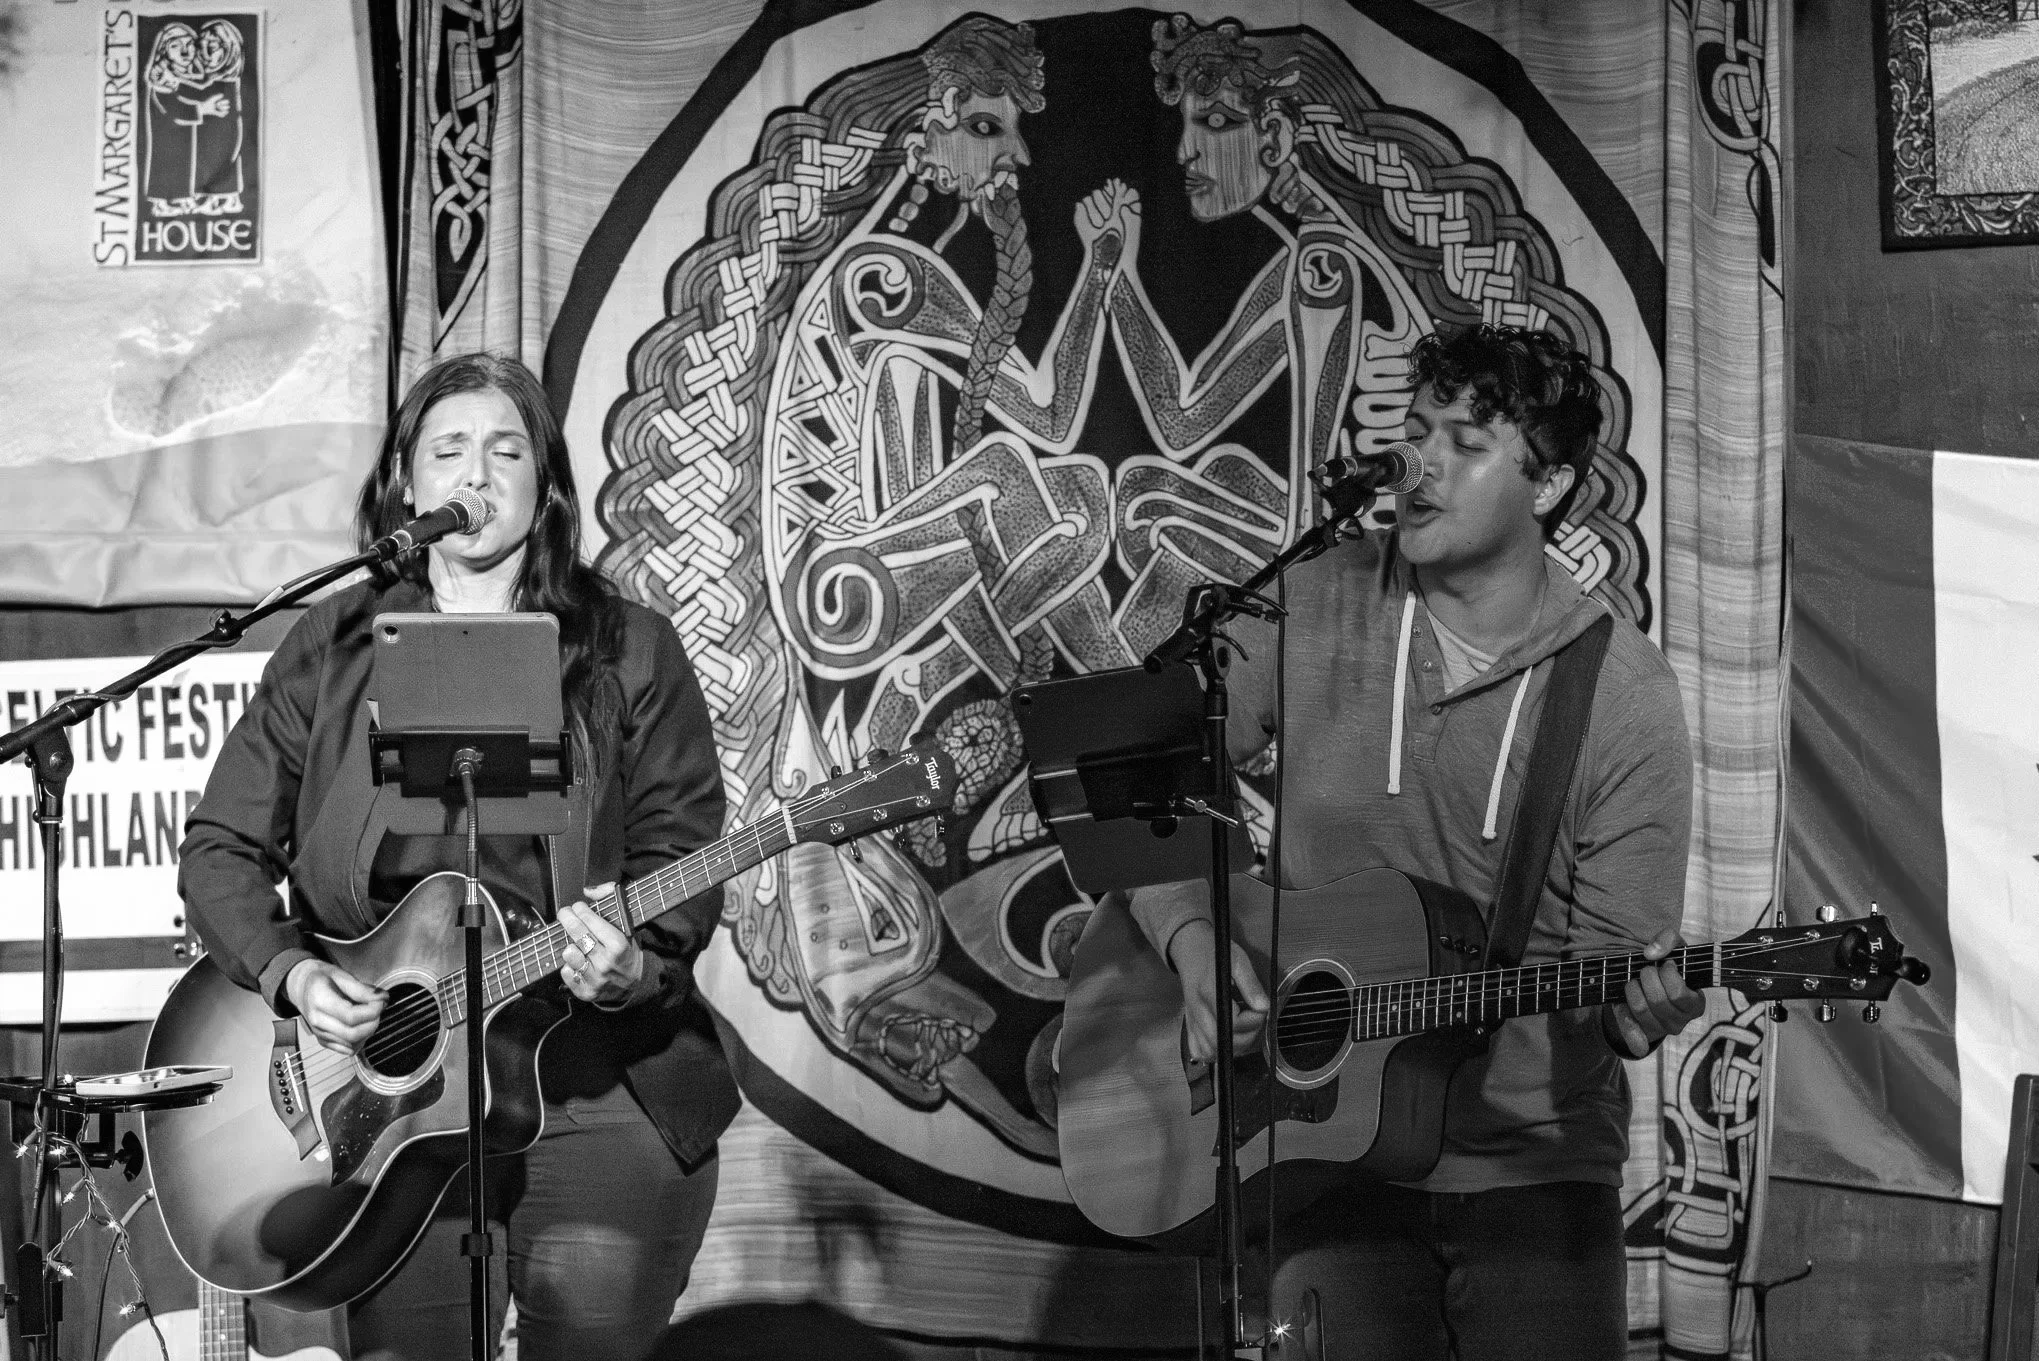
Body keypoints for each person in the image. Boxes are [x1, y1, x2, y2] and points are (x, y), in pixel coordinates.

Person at [1128, 324, 1705, 1360]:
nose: (1417, 466)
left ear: (1548, 484)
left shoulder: (1622, 695)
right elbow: (1138, 777)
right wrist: (1186, 937)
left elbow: (1612, 974)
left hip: (1531, 1173)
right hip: (1321, 1156)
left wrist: (1635, 1009)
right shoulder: (1313, 601)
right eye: (1415, 430)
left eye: (1465, 441)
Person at [179, 353, 737, 1360]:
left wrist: (635, 965)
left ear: (546, 484)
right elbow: (219, 847)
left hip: (591, 1080)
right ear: (407, 482)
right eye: (449, 448)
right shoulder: (333, 643)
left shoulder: (630, 647)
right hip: (390, 1102)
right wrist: (295, 974)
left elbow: (681, 845)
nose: (476, 470)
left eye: (506, 448)